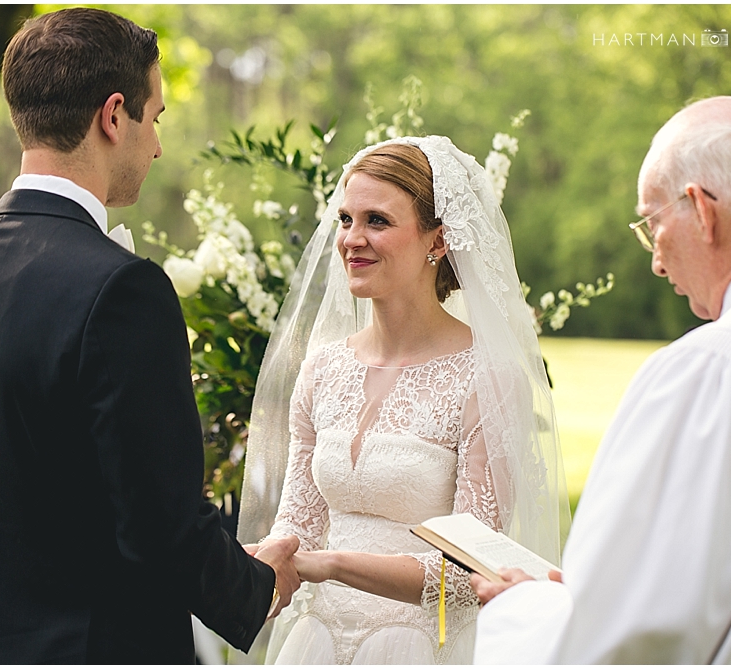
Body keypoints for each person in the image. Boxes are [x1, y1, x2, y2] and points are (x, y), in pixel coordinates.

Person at [0, 8, 299, 663]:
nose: (158, 145)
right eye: (157, 118)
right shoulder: (125, 290)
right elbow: (162, 528)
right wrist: (259, 586)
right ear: (114, 115)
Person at [471, 95, 731, 664]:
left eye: (651, 224)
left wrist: (522, 609)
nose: (655, 260)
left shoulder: (717, 375)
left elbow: (628, 643)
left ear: (701, 209)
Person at [237, 136, 568, 663]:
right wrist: (248, 568)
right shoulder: (323, 368)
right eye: (346, 219)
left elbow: (468, 573)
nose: (352, 239)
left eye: (378, 221)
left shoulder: (488, 377)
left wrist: (331, 564)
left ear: (437, 240)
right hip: (314, 644)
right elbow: (296, 527)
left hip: (418, 647)